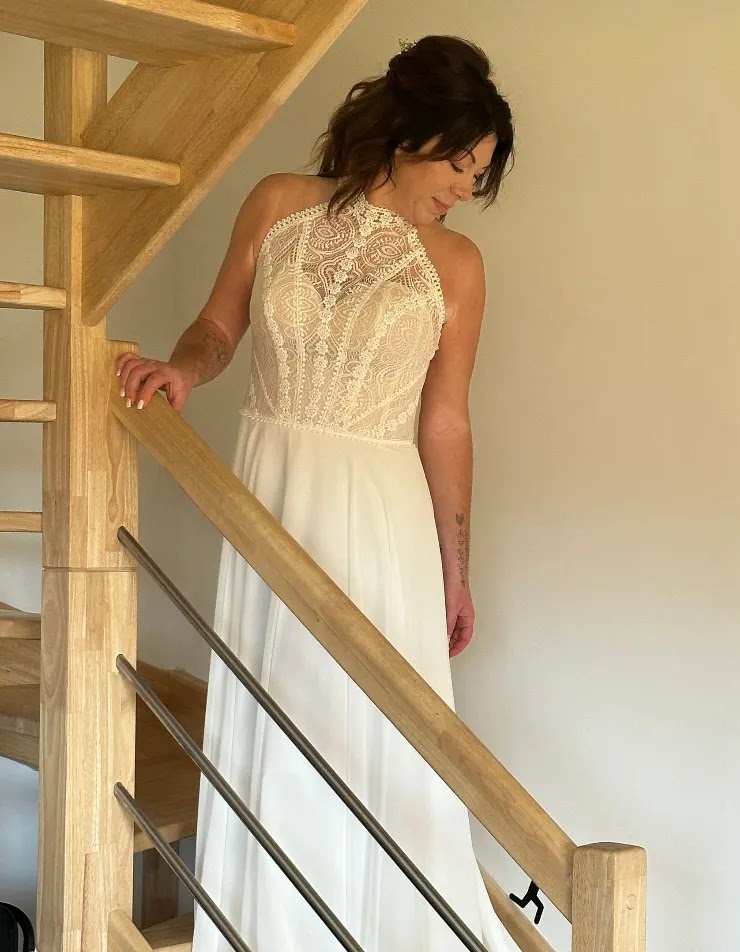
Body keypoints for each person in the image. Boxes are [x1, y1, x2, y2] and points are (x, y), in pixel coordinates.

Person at [116, 34, 518, 952]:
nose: (465, 187)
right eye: (461, 162)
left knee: (376, 722)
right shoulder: (278, 203)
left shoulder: (458, 264)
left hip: (383, 514)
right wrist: (183, 368)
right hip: (273, 491)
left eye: (480, 173)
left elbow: (445, 424)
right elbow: (218, 327)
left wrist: (457, 569)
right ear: (411, 131)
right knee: (279, 699)